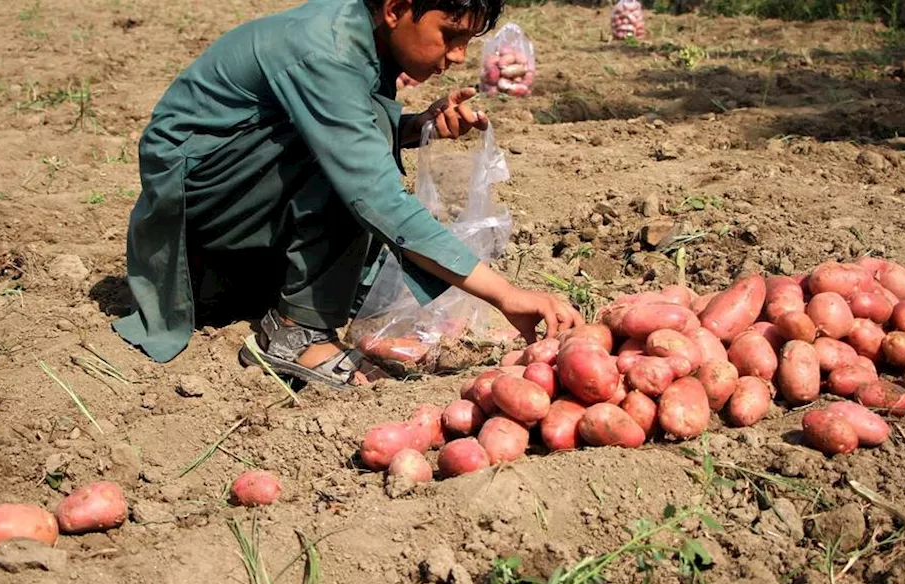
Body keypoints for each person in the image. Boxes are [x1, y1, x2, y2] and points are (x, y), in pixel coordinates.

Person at [114, 0, 583, 388]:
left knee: (364, 146)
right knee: (356, 170)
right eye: (450, 35)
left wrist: (418, 126)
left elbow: (346, 124)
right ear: (398, 8)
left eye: (467, 42)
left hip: (231, 197)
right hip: (199, 208)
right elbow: (373, 193)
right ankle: (297, 332)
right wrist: (506, 294)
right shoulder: (329, 52)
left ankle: (293, 292)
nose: (458, 56)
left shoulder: (361, 36)